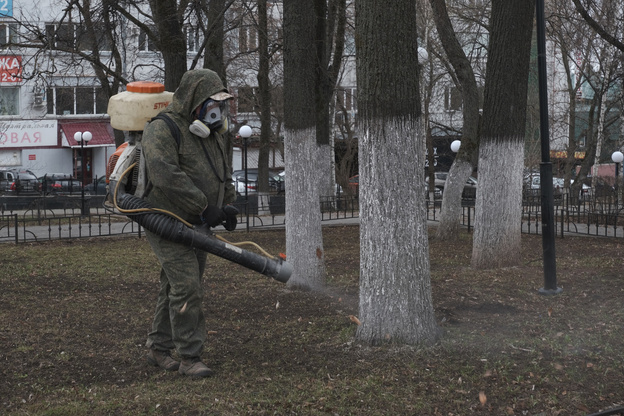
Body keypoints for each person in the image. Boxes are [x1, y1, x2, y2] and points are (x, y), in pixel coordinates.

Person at [140, 69, 238, 378]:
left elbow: (221, 171)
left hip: (197, 223)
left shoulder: (210, 133)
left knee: (174, 284)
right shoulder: (162, 129)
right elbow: (164, 173)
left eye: (222, 104)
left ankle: (158, 348)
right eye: (213, 102)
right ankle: (189, 356)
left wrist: (226, 205)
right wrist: (204, 205)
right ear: (194, 99)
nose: (218, 110)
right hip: (166, 219)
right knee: (187, 286)